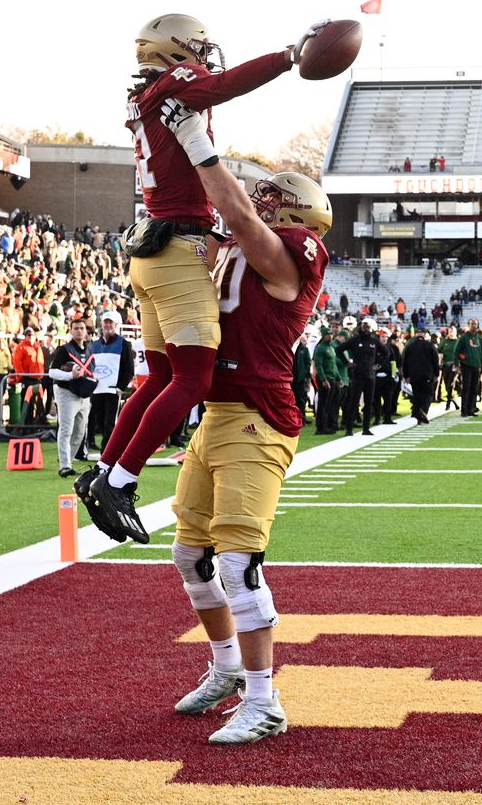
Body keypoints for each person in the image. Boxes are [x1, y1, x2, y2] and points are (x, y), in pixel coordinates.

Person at [81, 14, 325, 540]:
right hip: (178, 248)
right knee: (193, 379)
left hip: (154, 249)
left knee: (164, 378)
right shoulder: (175, 85)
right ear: (173, 50)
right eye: (195, 48)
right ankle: (119, 481)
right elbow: (226, 85)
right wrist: (289, 56)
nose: (204, 57)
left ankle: (103, 470)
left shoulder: (144, 94)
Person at [157, 145, 331, 744]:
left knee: (238, 563)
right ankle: (228, 668)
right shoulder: (241, 248)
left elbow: (233, 211)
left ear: (301, 220)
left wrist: (199, 146)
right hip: (215, 414)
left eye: (276, 200)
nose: (263, 201)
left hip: (258, 418)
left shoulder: (291, 260)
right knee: (191, 555)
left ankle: (265, 701)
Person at [47, 320, 97, 478]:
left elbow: (91, 370)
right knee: (66, 429)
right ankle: (65, 465)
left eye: (82, 328)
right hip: (66, 392)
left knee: (80, 431)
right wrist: (70, 375)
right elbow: (52, 372)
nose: (79, 331)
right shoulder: (64, 350)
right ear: (70, 330)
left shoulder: (89, 350)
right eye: (76, 328)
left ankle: (68, 459)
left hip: (83, 394)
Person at [86, 311, 135, 453]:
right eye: (105, 322)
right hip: (96, 390)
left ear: (116, 325)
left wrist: (120, 386)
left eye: (110, 323)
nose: (108, 325)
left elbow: (129, 369)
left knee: (110, 423)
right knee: (98, 422)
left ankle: (106, 453)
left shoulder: (123, 344)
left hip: (112, 390)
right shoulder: (94, 344)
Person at [337, 318, 381, 436]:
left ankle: (366, 428)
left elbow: (386, 353)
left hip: (370, 376)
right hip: (358, 376)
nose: (366, 330)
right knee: (354, 402)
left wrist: (378, 365)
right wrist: (347, 363)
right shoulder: (355, 340)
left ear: (370, 329)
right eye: (364, 327)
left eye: (367, 328)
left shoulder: (374, 341)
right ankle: (349, 429)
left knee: (368, 402)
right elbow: (339, 349)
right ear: (360, 328)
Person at [402, 328, 439, 423]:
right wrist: (436, 373)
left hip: (414, 375)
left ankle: (418, 414)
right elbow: (435, 360)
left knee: (417, 395)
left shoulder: (409, 345)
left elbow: (404, 361)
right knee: (428, 394)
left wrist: (406, 375)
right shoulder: (429, 345)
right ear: (424, 334)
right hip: (427, 374)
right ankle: (422, 412)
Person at [312, 327, 341, 434]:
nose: (330, 336)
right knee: (323, 404)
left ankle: (328, 425)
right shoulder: (320, 348)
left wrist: (339, 378)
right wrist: (323, 379)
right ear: (324, 336)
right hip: (325, 378)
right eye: (328, 334)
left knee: (330, 403)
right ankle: (320, 427)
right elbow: (319, 365)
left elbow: (334, 365)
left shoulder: (331, 348)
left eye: (331, 334)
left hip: (332, 378)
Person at [456, 319, 482, 416]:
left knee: (474, 388)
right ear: (468, 325)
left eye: (475, 324)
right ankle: (464, 410)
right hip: (466, 366)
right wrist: (457, 364)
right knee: (466, 388)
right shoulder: (464, 337)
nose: (474, 326)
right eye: (472, 324)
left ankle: (471, 408)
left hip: (476, 366)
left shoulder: (479, 338)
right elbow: (457, 351)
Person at [291, 332, 312, 425]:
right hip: (291, 378)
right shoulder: (290, 348)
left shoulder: (303, 349)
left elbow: (308, 363)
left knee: (301, 399)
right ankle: (294, 418)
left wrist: (307, 377)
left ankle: (301, 418)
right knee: (293, 399)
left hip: (300, 378)